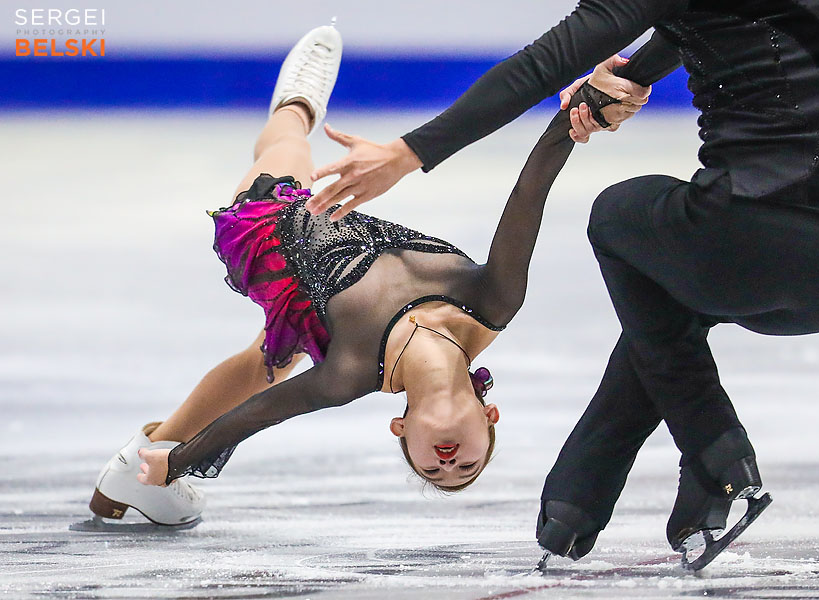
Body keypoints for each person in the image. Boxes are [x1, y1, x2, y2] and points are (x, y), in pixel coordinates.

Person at [302, 0, 819, 567]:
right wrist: (632, 75)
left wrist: (410, 152)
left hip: (750, 243)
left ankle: (710, 453)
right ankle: (580, 498)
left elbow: (544, 63)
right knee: (663, 300)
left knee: (617, 214)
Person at [88, 23, 631, 527]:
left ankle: (297, 103)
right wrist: (575, 115)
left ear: (401, 430)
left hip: (273, 236)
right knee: (270, 357)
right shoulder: (493, 302)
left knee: (287, 145)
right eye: (466, 468)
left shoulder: (349, 372)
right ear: (489, 415)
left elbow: (256, 417)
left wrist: (178, 463)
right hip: (346, 229)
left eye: (433, 471)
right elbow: (529, 193)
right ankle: (134, 467)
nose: (448, 464)